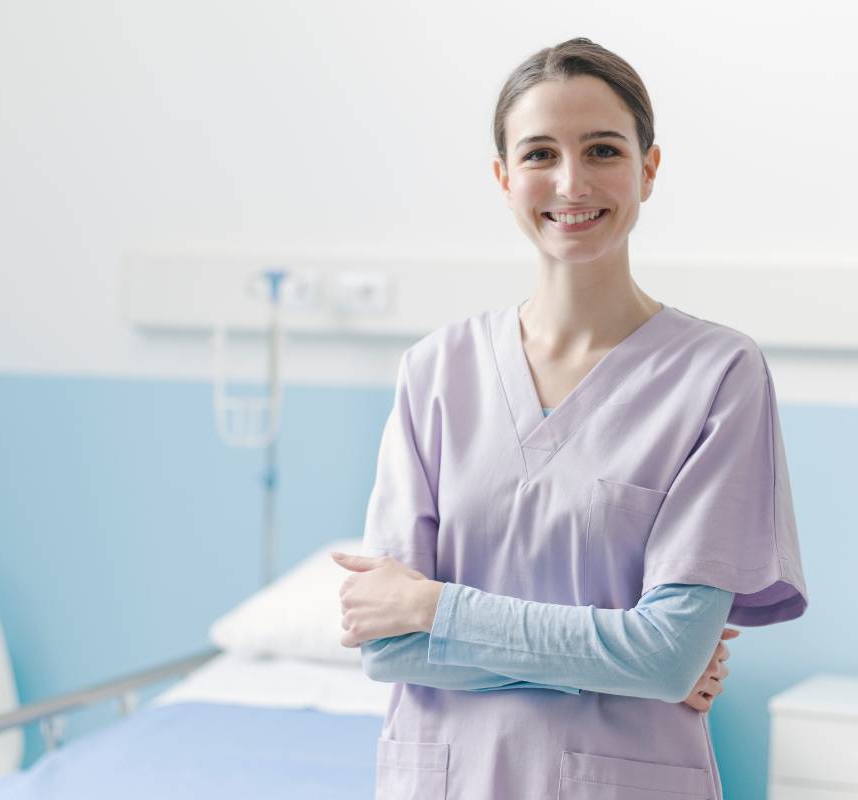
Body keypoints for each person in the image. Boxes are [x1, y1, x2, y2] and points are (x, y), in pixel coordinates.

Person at [331, 37, 808, 799]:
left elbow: (666, 659)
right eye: (540, 154)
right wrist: (618, 659)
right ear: (503, 177)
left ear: (649, 169)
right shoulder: (435, 371)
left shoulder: (719, 375)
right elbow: (389, 649)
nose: (571, 181)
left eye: (603, 150)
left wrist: (435, 608)